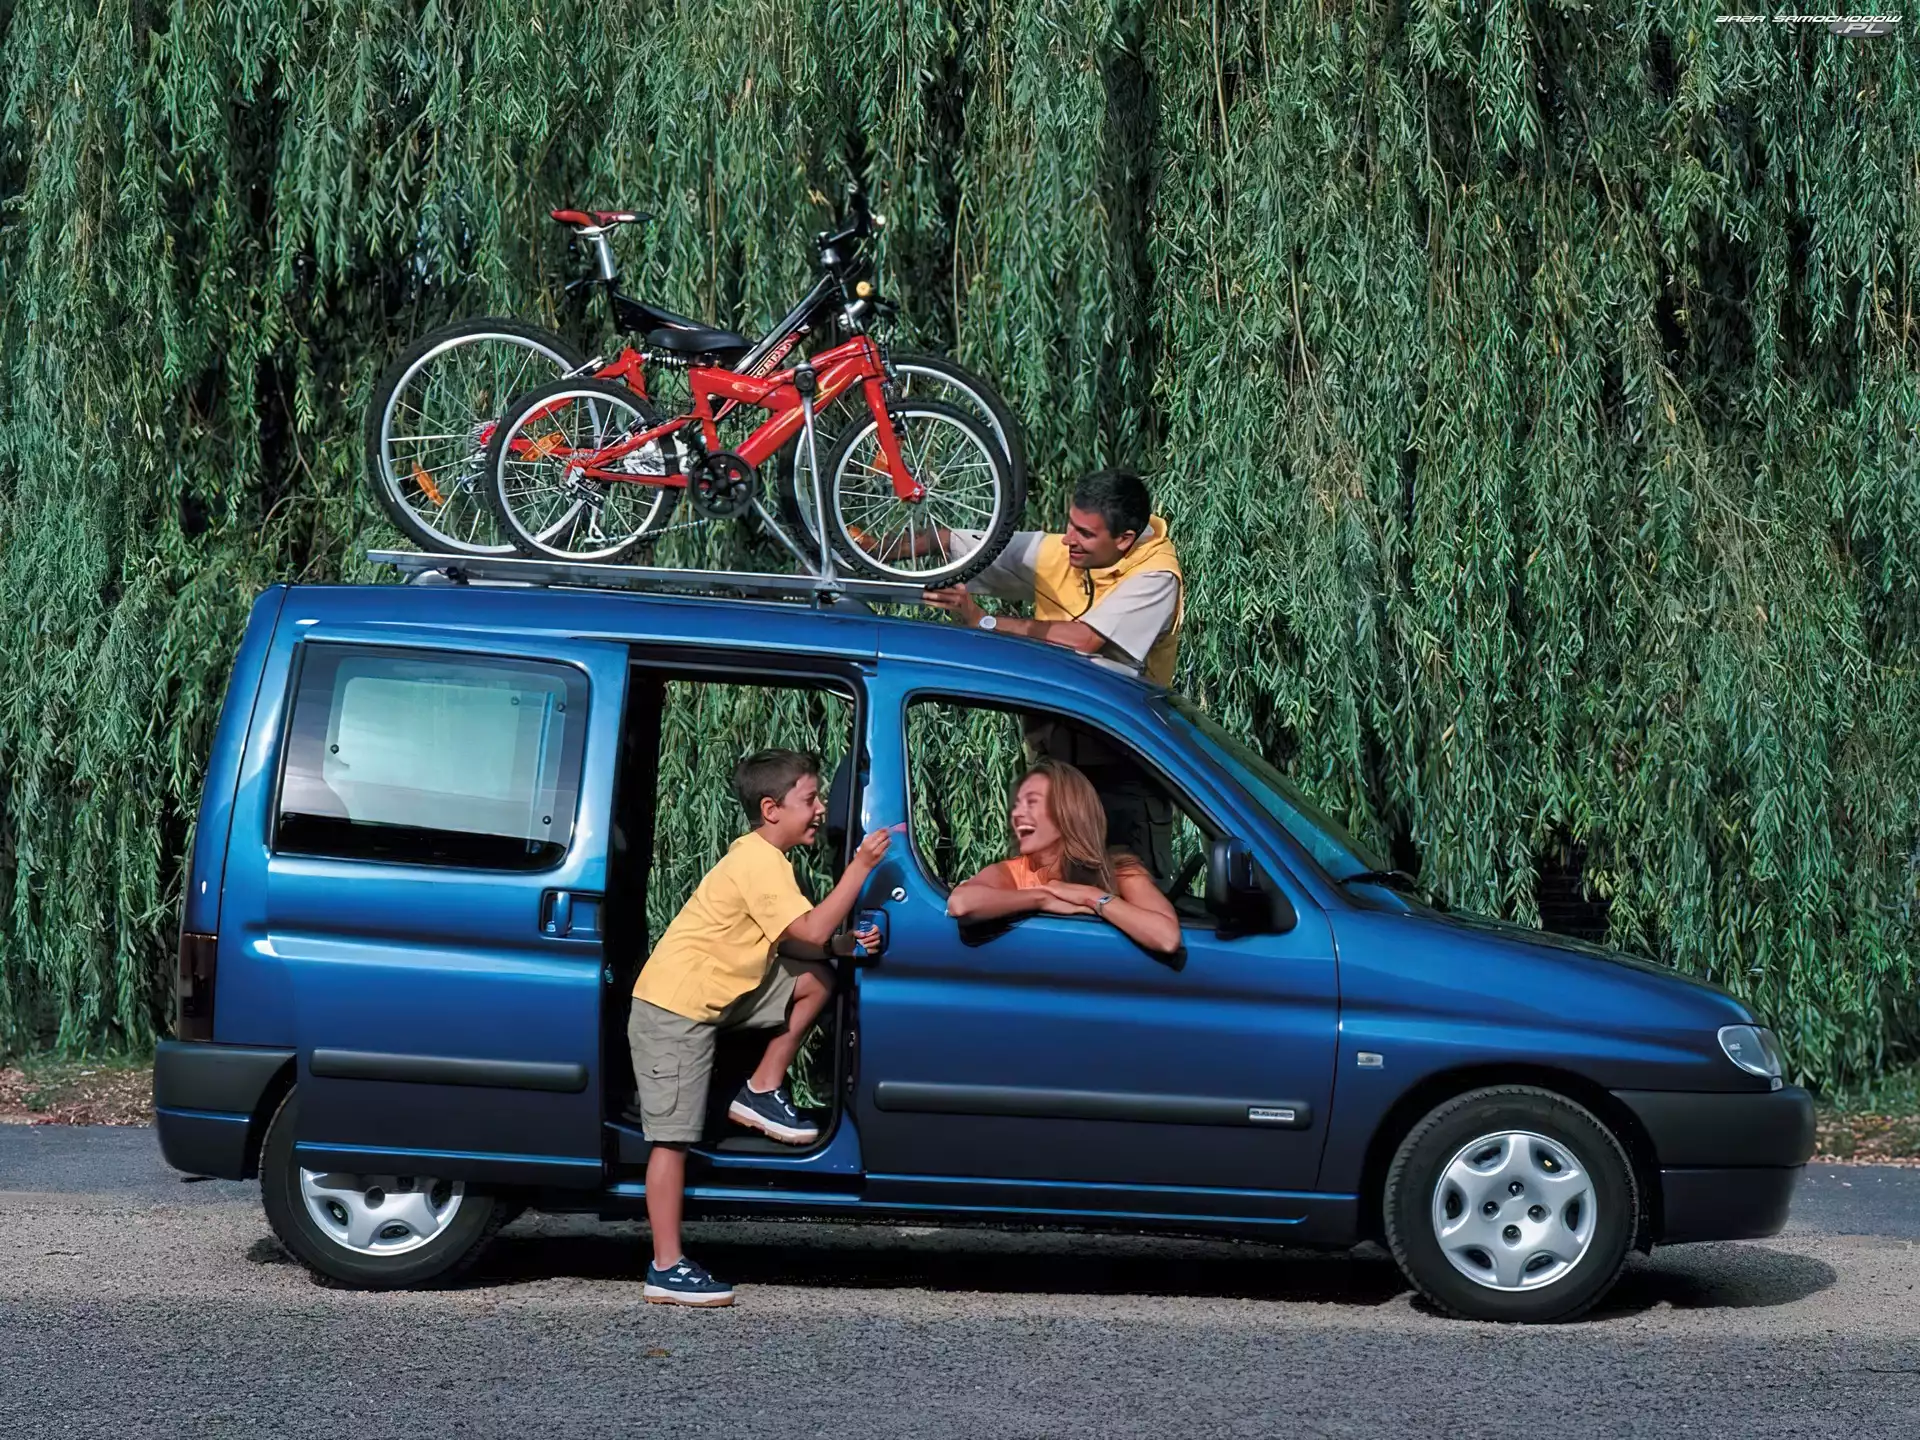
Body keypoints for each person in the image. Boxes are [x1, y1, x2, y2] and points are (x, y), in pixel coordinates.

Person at [629, 748, 890, 1308]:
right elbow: (811, 929)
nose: (820, 809)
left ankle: (761, 1089)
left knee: (816, 978)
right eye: (810, 799)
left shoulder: (764, 858)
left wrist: (843, 946)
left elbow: (800, 942)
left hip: (718, 996)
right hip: (675, 1010)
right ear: (771, 809)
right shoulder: (760, 862)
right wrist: (861, 867)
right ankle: (666, 1267)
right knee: (672, 1140)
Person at [923, 468, 1184, 687]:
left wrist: (984, 621)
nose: (1068, 539)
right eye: (1071, 524)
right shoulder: (1064, 552)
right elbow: (957, 544)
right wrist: (895, 549)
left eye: (1085, 533)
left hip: (1119, 723)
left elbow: (1084, 640)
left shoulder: (1156, 576)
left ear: (1124, 539)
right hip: (1058, 708)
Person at [944, 758, 1180, 957]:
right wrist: (1043, 899)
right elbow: (962, 904)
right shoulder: (1013, 873)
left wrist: (1092, 897)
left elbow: (1166, 938)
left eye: (1032, 803)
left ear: (1068, 812)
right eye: (1017, 805)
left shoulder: (1118, 869)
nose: (1017, 814)